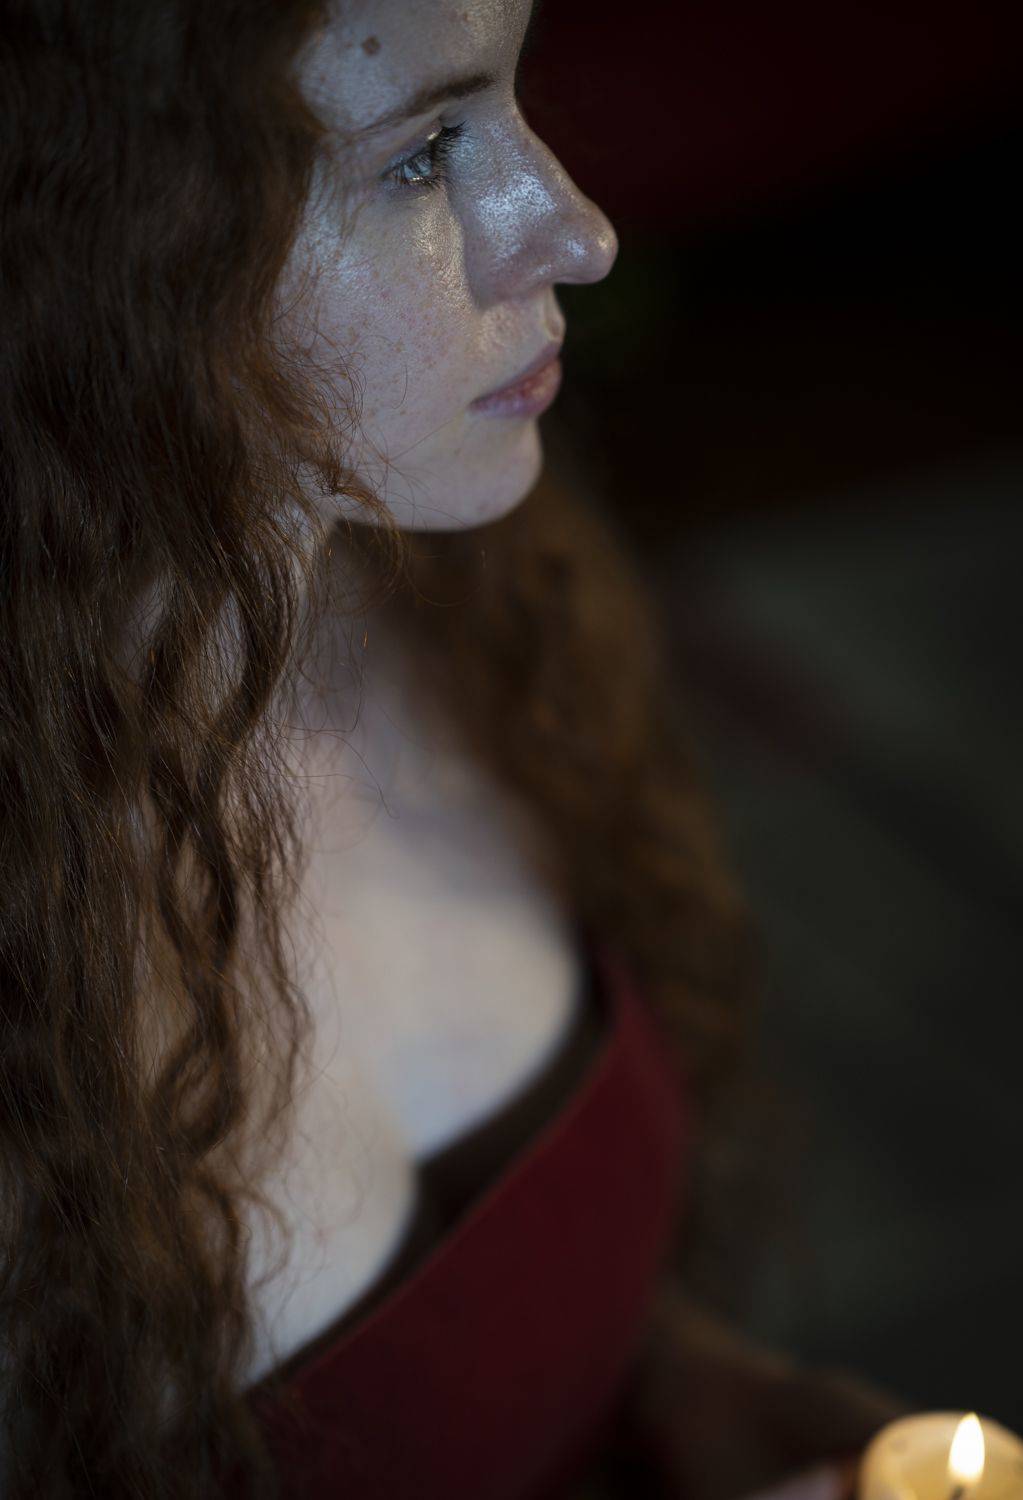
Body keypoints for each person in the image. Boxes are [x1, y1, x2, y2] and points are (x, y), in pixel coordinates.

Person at [0, 1, 909, 1496]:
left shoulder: (461, 594)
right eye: (424, 155)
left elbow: (483, 1357)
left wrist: (705, 1403)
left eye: (515, 91)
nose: (578, 232)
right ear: (84, 246)